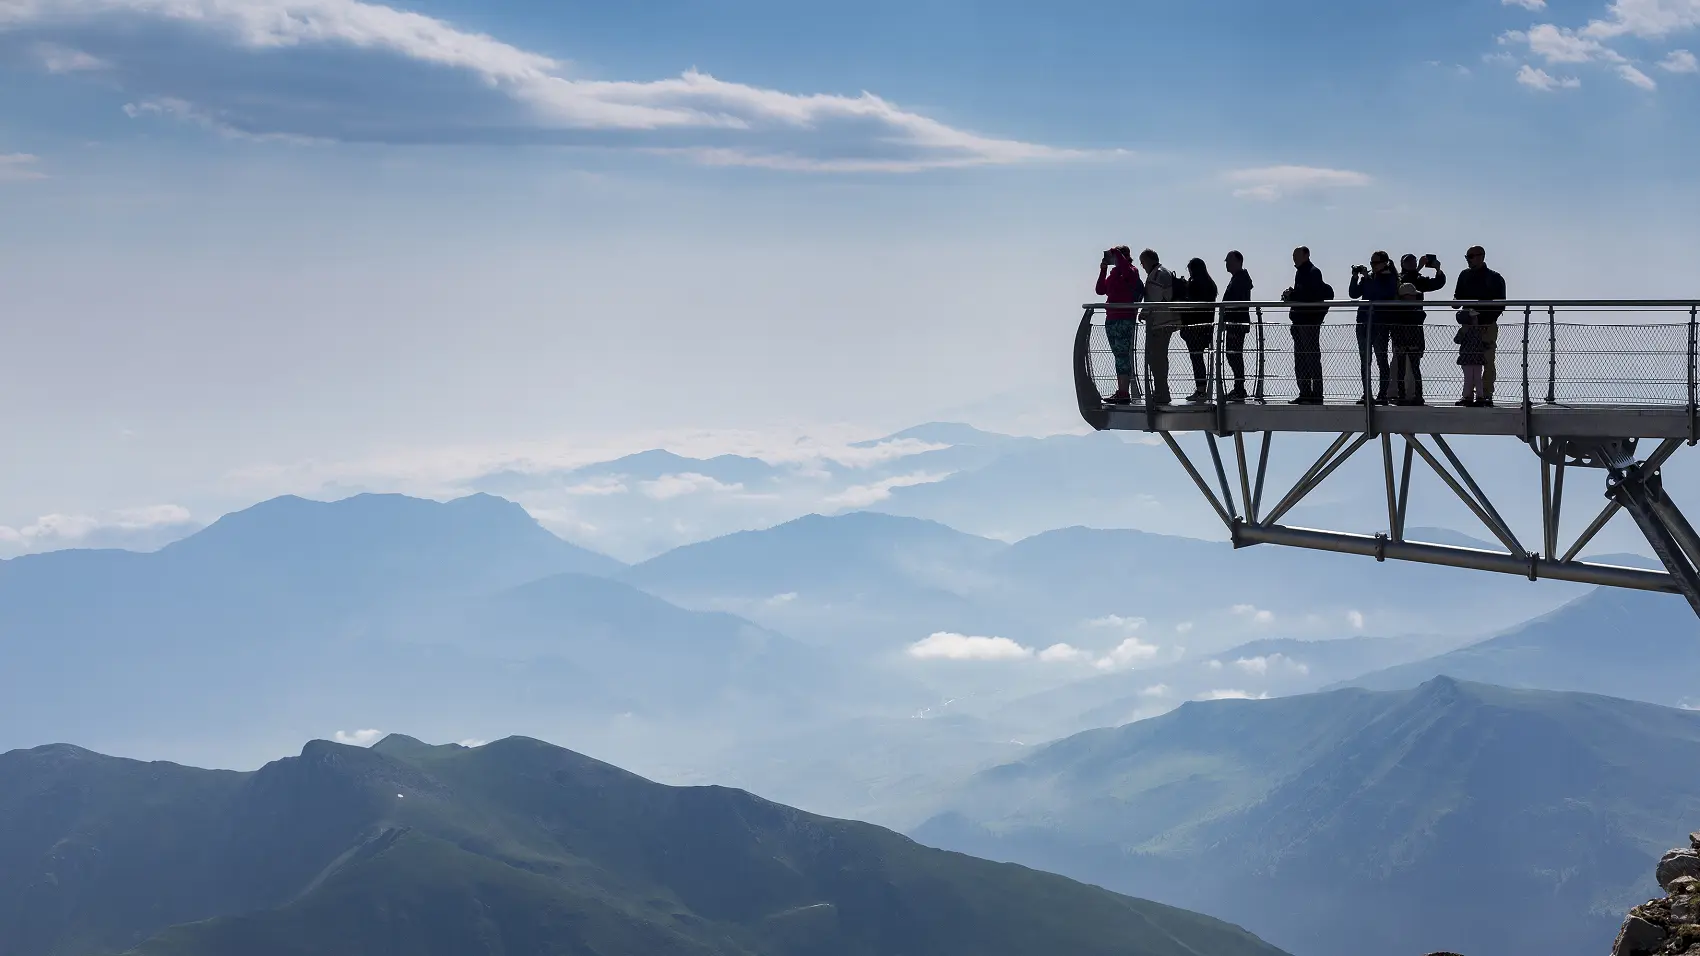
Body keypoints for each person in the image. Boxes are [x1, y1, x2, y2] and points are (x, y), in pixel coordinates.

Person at [1452, 245, 1507, 406]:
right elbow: (1457, 298)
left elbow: (1501, 304)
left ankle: (1486, 395)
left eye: (1470, 256)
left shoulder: (1495, 278)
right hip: (1468, 326)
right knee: (1468, 362)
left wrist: (1485, 320)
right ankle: (1468, 396)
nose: (1468, 260)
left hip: (1487, 325)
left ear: (1481, 256)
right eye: (1467, 257)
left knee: (1488, 360)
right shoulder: (1464, 275)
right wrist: (1457, 307)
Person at [1391, 253, 1447, 406]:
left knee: (1413, 367)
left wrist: (1438, 270)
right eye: (1408, 261)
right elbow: (1405, 282)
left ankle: (1414, 395)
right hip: (1403, 330)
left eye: (1413, 261)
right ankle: (1402, 395)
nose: (1412, 263)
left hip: (1412, 331)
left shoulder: (1417, 280)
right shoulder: (1398, 279)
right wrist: (1419, 269)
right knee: (1401, 367)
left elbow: (1436, 284)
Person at [1348, 251, 1400, 405]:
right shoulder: (1369, 277)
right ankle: (1367, 394)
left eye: (1375, 263)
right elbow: (1353, 293)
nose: (1372, 266)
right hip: (1364, 322)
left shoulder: (1390, 278)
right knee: (1365, 360)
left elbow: (1379, 293)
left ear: (1385, 263)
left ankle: (1382, 395)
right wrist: (1355, 277)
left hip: (1380, 323)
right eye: (1371, 263)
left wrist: (1367, 278)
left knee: (1381, 359)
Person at [1281, 246, 1331, 404]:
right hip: (1300, 321)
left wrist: (1293, 295)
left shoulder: (1313, 272)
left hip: (1308, 322)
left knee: (1311, 359)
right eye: (1293, 255)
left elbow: (1311, 295)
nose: (1294, 258)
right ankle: (1305, 394)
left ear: (1306, 255)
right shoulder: (1302, 272)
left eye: (1296, 255)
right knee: (1301, 360)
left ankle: (1315, 395)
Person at [1096, 245, 1145, 404]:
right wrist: (1103, 270)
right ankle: (1122, 390)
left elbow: (1128, 272)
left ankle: (1124, 391)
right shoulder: (1113, 274)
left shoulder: (1131, 271)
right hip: (1111, 319)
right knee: (1118, 356)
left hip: (1125, 318)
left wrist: (1116, 253)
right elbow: (1100, 290)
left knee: (1123, 355)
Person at [1138, 249, 1179, 405]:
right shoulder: (1164, 272)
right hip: (1166, 321)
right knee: (1159, 358)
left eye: (1142, 262)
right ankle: (1161, 391)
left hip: (1159, 323)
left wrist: (1144, 313)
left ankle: (1161, 393)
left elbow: (1153, 300)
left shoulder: (1156, 275)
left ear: (1149, 260)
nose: (1142, 265)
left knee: (1156, 359)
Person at [1179, 257, 1220, 403]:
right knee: (1200, 358)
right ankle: (1203, 389)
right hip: (1206, 327)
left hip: (1194, 327)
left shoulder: (1195, 284)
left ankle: (1201, 390)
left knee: (1196, 358)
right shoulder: (1210, 284)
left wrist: (1184, 288)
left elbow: (1190, 304)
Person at [1221, 251, 1254, 402]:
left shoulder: (1240, 280)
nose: (1226, 263)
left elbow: (1237, 302)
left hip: (1236, 323)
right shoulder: (1239, 279)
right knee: (1233, 354)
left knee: (1234, 355)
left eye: (1228, 260)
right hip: (1235, 322)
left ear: (1237, 261)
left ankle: (1239, 388)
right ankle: (1239, 387)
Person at [1455, 295, 1487, 406]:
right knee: (1470, 378)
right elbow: (1457, 340)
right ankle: (1471, 396)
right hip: (1473, 358)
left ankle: (1477, 396)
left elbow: (1457, 341)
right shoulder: (1471, 330)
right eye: (1474, 318)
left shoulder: (1476, 330)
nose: (1476, 319)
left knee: (1476, 378)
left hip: (1470, 358)